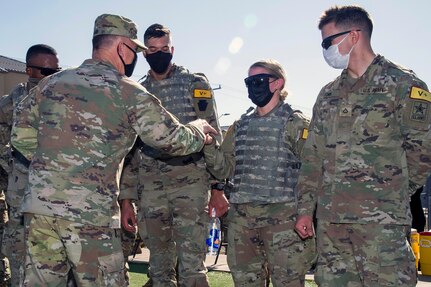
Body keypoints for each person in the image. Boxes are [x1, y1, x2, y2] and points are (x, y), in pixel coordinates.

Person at [10, 14, 217, 286]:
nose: (135, 58)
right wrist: (199, 130)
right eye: (135, 51)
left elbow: (20, 134)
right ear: (122, 47)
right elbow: (169, 138)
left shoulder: (52, 83)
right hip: (90, 214)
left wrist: (55, 165)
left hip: (40, 211)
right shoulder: (127, 91)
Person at [294, 5, 431, 287]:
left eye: (328, 41)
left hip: (381, 226)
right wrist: (306, 209)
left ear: (354, 35)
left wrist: (391, 195)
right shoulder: (328, 93)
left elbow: (422, 152)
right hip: (332, 226)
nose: (325, 49)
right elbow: (313, 156)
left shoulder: (403, 84)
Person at [120, 23, 228, 287]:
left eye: (165, 49)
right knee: (159, 264)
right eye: (153, 50)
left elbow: (212, 135)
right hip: (151, 184)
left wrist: (218, 186)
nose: (160, 54)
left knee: (192, 263)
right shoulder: (138, 91)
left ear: (173, 49)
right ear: (144, 52)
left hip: (190, 181)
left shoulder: (195, 84)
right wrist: (126, 198)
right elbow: (130, 150)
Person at [203, 59, 316, 287]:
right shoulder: (240, 125)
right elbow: (223, 168)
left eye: (260, 80)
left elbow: (312, 171)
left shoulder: (295, 122)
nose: (253, 86)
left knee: (288, 282)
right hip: (243, 219)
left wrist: (306, 212)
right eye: (249, 81)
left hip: (283, 219)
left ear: (278, 84)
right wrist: (207, 146)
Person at [0, 44, 61, 286]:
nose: (53, 77)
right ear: (29, 71)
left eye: (57, 70)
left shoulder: (65, 96)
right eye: (48, 72)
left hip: (57, 187)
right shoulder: (15, 97)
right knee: (18, 241)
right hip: (21, 185)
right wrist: (5, 161)